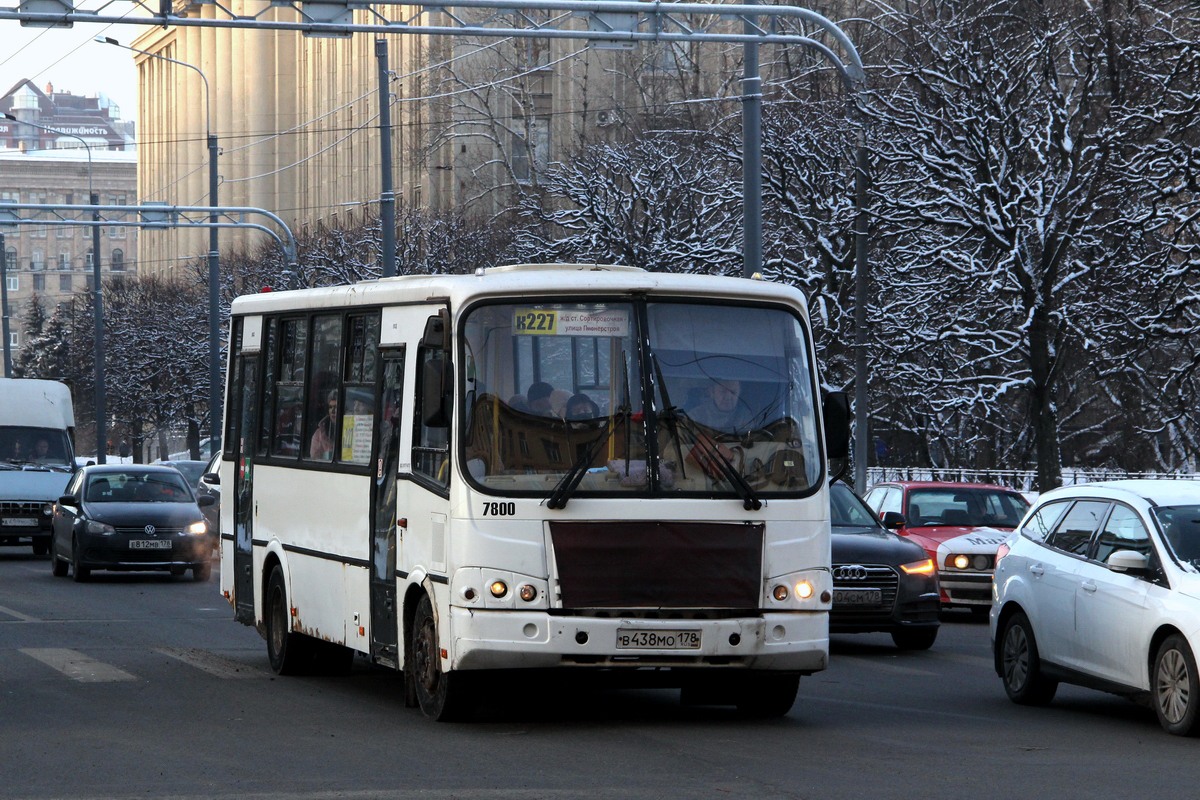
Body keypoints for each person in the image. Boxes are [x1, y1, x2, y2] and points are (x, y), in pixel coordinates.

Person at [309, 389, 339, 460]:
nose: (333, 411)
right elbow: (314, 458)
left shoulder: (350, 429)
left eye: (336, 407)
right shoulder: (319, 434)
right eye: (330, 407)